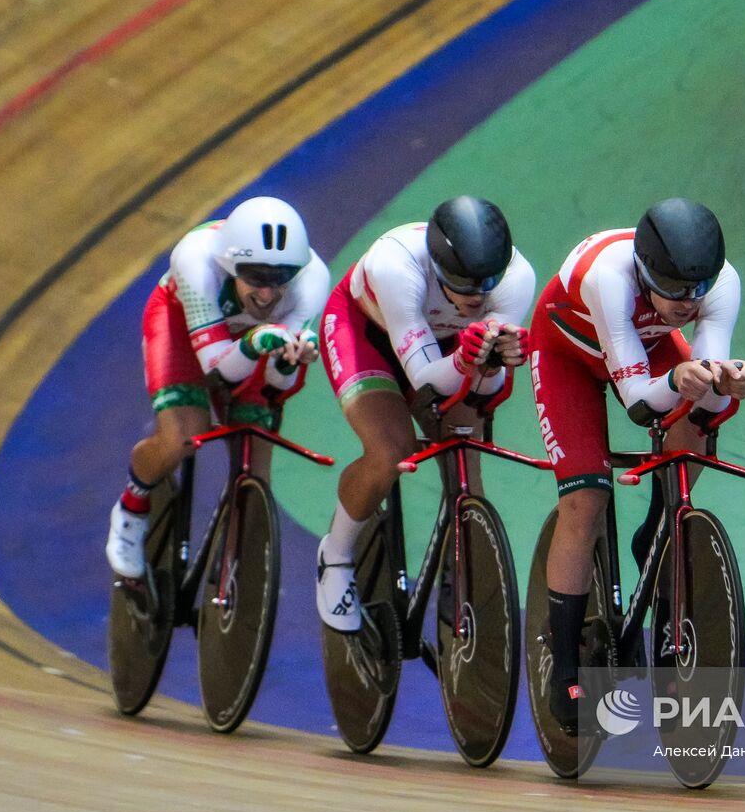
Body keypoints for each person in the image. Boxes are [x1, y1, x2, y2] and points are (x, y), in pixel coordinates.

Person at [529, 198, 745, 734]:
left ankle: (659, 522)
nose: (688, 302)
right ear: (644, 271)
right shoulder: (608, 278)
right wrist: (681, 380)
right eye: (674, 290)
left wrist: (729, 383)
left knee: (703, 412)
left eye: (697, 289)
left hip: (643, 349)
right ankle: (564, 665)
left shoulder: (720, 283)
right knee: (585, 499)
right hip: (568, 354)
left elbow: (708, 378)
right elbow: (638, 403)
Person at [316, 196, 535, 633]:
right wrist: (467, 362)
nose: (476, 296)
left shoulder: (517, 277)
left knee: (465, 458)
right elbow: (426, 382)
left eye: (485, 283)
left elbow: (486, 394)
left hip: (451, 346)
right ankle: (335, 553)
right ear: (435, 266)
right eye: (461, 283)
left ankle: (460, 566)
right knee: (390, 449)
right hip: (367, 335)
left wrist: (492, 363)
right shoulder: (395, 267)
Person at [106, 196, 331, 584]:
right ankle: (132, 506)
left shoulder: (312, 280)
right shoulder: (196, 259)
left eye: (279, 280)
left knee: (255, 462)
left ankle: (237, 574)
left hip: (251, 342)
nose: (267, 294)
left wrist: (286, 362)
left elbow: (278, 389)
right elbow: (217, 374)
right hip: (183, 328)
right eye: (256, 278)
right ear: (229, 267)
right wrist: (251, 344)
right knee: (182, 437)